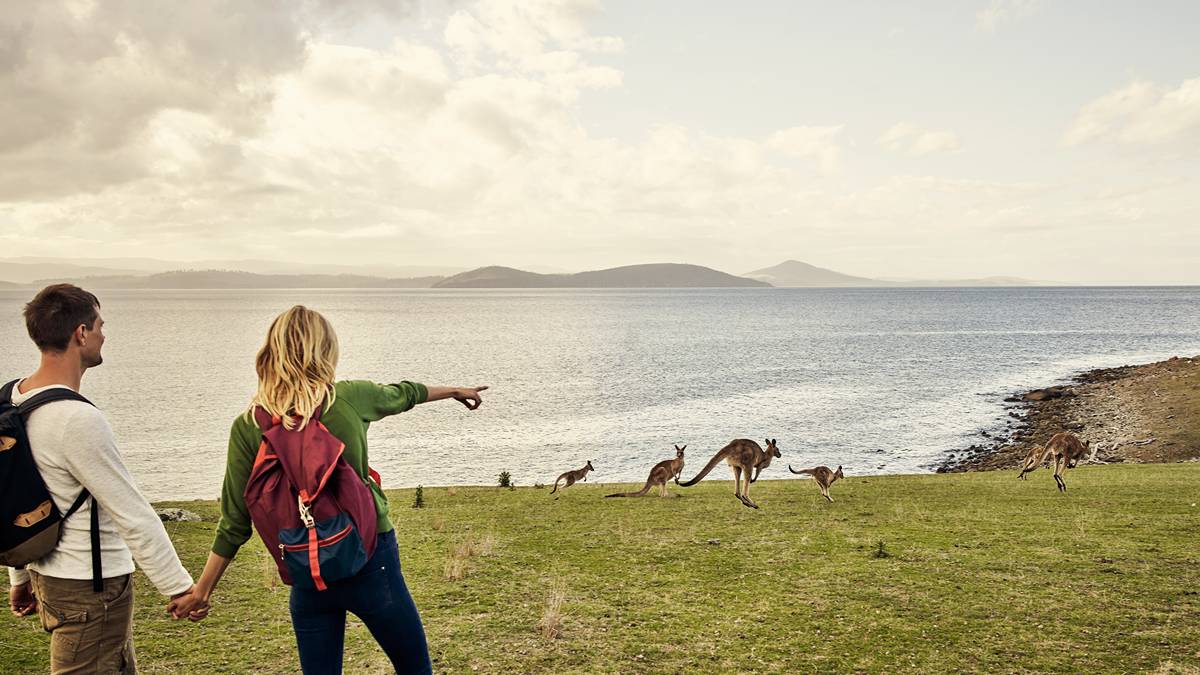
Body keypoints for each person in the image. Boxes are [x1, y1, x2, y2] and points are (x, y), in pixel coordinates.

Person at [171, 305, 486, 675]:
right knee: (414, 669)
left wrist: (203, 589)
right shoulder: (350, 397)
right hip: (372, 558)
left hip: (307, 569)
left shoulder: (248, 424)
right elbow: (404, 394)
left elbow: (234, 522)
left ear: (271, 352)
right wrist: (452, 390)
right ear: (326, 351)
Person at [5, 284, 196, 674]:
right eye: (100, 325)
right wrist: (179, 587)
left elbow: (14, 493)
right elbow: (131, 512)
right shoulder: (76, 419)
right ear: (81, 333)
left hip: (49, 577)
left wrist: (20, 577)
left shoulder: (13, 399)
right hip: (91, 588)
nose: (103, 334)